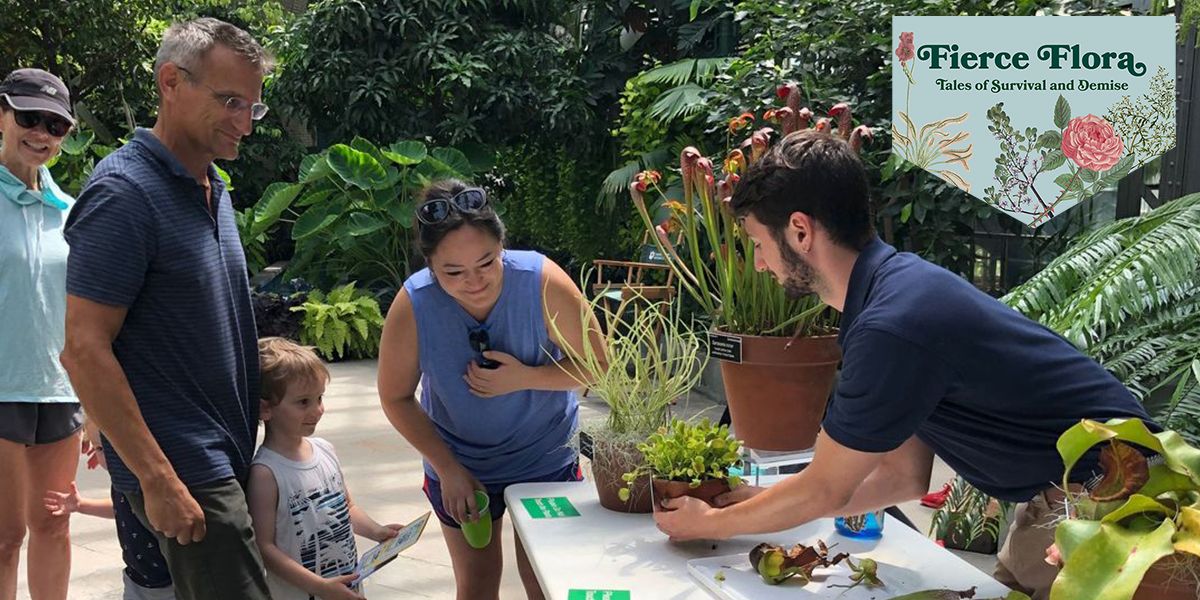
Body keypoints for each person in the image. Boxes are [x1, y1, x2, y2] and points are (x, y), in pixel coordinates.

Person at [652, 130, 1155, 600]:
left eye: (760, 244)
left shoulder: (892, 323)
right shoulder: (893, 294)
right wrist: (748, 500)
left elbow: (828, 487)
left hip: (1117, 507)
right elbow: (900, 479)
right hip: (1063, 505)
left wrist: (707, 524)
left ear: (800, 231)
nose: (760, 263)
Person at [59, 18, 273, 600]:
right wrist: (157, 478)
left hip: (222, 455)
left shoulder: (213, 189)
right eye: (230, 101)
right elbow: (83, 347)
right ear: (171, 82)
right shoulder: (124, 195)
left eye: (252, 108)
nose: (243, 124)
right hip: (184, 466)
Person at [377, 180, 602, 600]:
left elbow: (599, 368)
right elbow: (395, 396)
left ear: (502, 245)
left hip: (545, 457)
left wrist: (525, 377)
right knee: (477, 585)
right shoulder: (415, 304)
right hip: (459, 464)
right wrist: (448, 469)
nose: (475, 282)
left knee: (546, 581)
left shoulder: (542, 281)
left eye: (487, 263)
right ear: (429, 264)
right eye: (453, 272)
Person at [0, 67, 81, 600]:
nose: (43, 134)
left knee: (54, 525)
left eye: (56, 125)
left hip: (59, 391)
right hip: (2, 388)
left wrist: (97, 407)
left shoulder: (72, 212)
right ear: (1, 116)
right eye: (30, 118)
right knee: (5, 538)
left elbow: (85, 314)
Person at [248, 338, 402, 600]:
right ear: (266, 408)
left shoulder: (325, 450)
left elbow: (347, 507)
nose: (317, 410)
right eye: (303, 402)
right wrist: (320, 587)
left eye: (319, 398)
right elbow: (265, 547)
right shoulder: (266, 473)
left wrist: (377, 531)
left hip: (343, 586)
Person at [43, 419, 175, 600]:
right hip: (137, 578)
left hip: (169, 580)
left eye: (113, 448)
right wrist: (81, 505)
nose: (110, 457)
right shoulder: (120, 483)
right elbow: (121, 508)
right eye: (100, 449)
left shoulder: (149, 482)